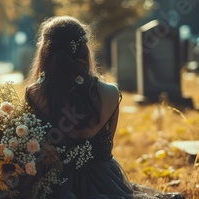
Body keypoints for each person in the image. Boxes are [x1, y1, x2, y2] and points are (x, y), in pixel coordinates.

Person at [25, 16, 185, 199]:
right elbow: (106, 150)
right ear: (84, 50)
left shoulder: (34, 94)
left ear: (45, 51)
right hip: (104, 181)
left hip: (52, 184)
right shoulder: (110, 93)